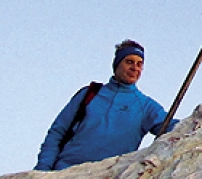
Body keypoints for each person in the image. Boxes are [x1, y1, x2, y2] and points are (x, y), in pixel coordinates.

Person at [35, 39, 177, 171]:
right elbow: (57, 132)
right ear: (117, 64)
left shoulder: (145, 106)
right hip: (65, 173)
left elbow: (173, 128)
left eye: (139, 64)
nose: (135, 68)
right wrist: (43, 169)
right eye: (129, 62)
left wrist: (198, 123)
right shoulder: (89, 94)